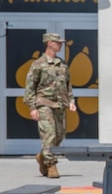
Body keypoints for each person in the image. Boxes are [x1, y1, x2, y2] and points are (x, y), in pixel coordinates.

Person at [23, 32, 75, 179]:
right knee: (49, 134)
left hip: (59, 104)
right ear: (49, 43)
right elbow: (30, 87)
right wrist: (32, 107)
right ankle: (51, 165)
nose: (60, 45)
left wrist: (71, 101)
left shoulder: (62, 64)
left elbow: (68, 85)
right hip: (44, 104)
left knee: (60, 134)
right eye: (57, 42)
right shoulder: (38, 64)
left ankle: (42, 156)